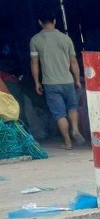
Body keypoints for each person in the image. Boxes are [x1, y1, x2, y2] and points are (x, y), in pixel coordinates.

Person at [29, 11, 85, 150]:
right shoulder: (65, 39)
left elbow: (34, 62)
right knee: (72, 107)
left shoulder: (35, 40)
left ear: (40, 22)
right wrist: (77, 80)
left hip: (50, 83)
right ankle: (75, 129)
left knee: (59, 114)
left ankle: (67, 142)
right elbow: (73, 61)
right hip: (67, 81)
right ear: (54, 21)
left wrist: (37, 82)